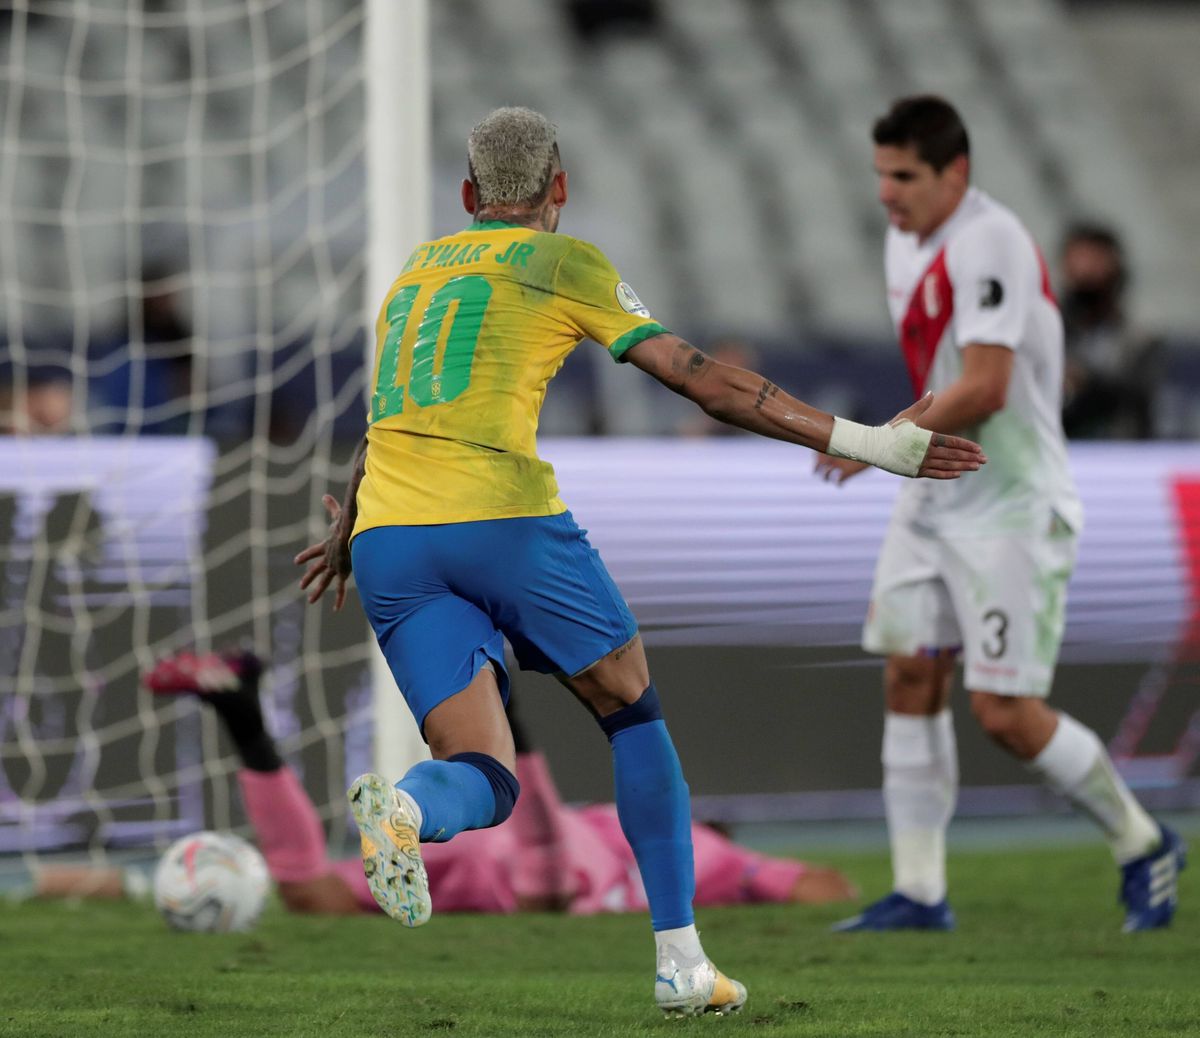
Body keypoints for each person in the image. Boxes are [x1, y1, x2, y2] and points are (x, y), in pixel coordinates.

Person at [294, 106, 983, 1017]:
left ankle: (408, 814)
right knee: (630, 709)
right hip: (498, 515)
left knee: (484, 772)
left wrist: (349, 534)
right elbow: (703, 379)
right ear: (560, 189)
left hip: (387, 539)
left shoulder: (414, 274)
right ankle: (680, 964)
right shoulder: (562, 260)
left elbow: (384, 422)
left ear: (466, 196)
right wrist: (872, 443)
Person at [814, 95, 1184, 933]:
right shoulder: (905, 240)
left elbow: (985, 388)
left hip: (1011, 505)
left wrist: (873, 441)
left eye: (904, 176)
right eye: (880, 175)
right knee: (910, 673)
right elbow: (945, 378)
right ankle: (920, 892)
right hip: (935, 491)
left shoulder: (992, 241)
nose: (886, 193)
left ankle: (1143, 841)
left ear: (956, 173)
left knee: (1005, 714)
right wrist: (895, 445)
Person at [30, 650, 857, 913]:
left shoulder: (626, 822)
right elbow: (807, 882)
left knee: (307, 893)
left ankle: (243, 713)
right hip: (529, 866)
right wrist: (841, 899)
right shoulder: (705, 851)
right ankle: (502, 708)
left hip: (460, 868)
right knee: (553, 882)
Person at [1058, 222, 1161, 440]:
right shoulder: (1053, 332)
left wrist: (1085, 381)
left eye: (1094, 261)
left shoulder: (1138, 340)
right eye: (1077, 260)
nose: (1085, 271)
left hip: (1118, 449)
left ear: (1116, 267)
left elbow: (1136, 397)